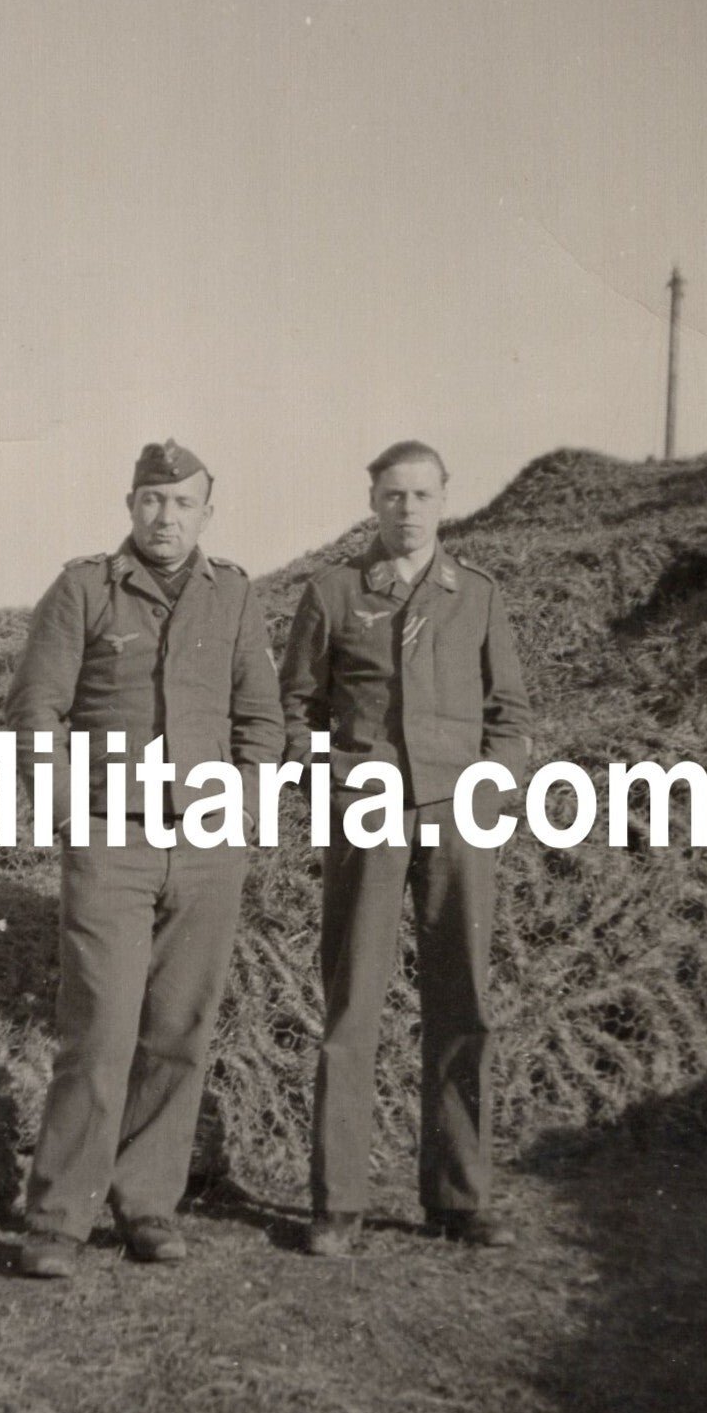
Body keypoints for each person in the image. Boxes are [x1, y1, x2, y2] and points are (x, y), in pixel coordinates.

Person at [5, 439, 284, 1276]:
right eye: (152, 503)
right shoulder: (84, 588)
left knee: (178, 1033)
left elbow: (261, 723)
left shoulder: (233, 596)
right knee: (100, 1029)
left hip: (206, 846)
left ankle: (148, 1208)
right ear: (131, 507)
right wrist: (68, 816)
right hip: (111, 839)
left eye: (184, 504)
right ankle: (58, 1221)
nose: (167, 519)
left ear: (207, 511)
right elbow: (36, 713)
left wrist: (239, 812)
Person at [279, 439, 532, 1254]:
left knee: (463, 1002)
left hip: (459, 817)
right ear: (373, 500)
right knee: (353, 1000)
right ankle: (338, 1201)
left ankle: (460, 1195)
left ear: (444, 500)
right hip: (370, 811)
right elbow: (296, 713)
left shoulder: (479, 597)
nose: (407, 510)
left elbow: (511, 715)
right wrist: (333, 786)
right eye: (393, 495)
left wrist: (491, 784)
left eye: (422, 495)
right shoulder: (333, 593)